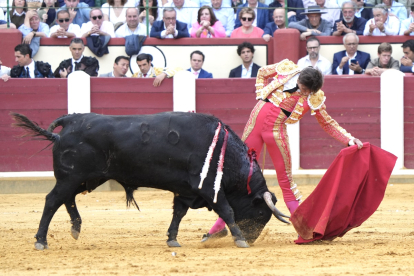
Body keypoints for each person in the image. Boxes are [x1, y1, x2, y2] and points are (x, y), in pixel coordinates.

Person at [201, 62, 363, 242]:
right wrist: (262, 95)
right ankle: (218, 227)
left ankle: (304, 230)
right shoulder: (287, 68)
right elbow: (262, 72)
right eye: (303, 89)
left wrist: (349, 139)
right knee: (240, 178)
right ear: (300, 78)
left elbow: (327, 122)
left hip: (275, 130)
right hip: (254, 124)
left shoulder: (313, 96)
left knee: (285, 180)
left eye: (309, 92)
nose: (305, 94)